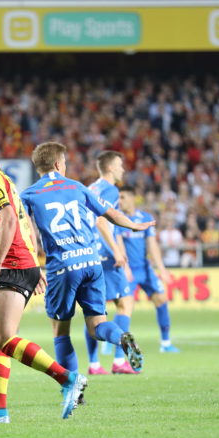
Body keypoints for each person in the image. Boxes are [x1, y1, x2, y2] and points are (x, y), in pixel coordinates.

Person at [0, 122, 87, 424]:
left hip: (10, 262)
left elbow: (9, 216)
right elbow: (22, 215)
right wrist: (34, 263)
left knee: (6, 337)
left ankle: (67, 379)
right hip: (19, 261)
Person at [20, 142, 153, 381]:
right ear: (59, 164)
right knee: (97, 324)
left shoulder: (28, 195)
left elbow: (28, 234)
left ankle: (73, 387)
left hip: (62, 267)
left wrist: (32, 266)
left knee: (61, 332)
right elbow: (108, 214)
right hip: (91, 262)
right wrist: (133, 225)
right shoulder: (77, 186)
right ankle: (119, 337)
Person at [86, 151, 136, 375]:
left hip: (89, 254)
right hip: (105, 256)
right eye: (119, 165)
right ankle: (119, 361)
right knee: (125, 303)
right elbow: (101, 221)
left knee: (95, 312)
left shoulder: (91, 188)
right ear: (109, 168)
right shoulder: (110, 190)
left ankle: (95, 364)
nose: (122, 169)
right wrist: (116, 252)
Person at [116, 188, 180, 353]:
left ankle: (165, 343)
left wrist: (162, 270)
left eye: (122, 197)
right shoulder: (117, 219)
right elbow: (118, 246)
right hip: (128, 270)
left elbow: (152, 245)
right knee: (125, 307)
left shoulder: (145, 218)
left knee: (161, 299)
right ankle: (114, 342)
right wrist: (125, 267)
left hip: (144, 268)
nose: (120, 201)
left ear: (132, 198)